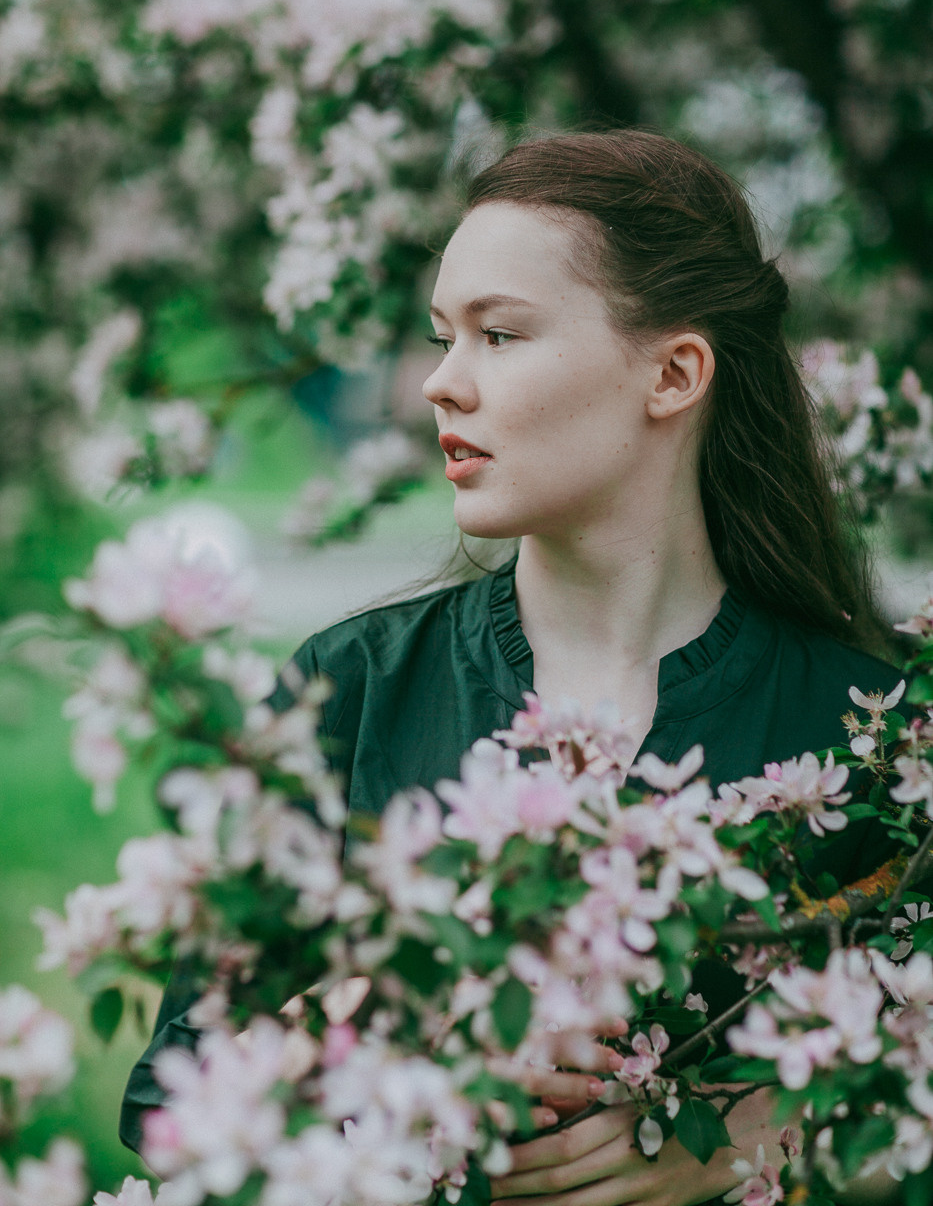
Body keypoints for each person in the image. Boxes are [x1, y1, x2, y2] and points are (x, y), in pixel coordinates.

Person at [121, 130, 906, 1203]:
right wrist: (389, 1035)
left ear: (673, 372)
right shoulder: (349, 689)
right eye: (444, 336)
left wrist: (770, 1124)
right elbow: (167, 1097)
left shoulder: (872, 731)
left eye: (499, 333)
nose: (442, 384)